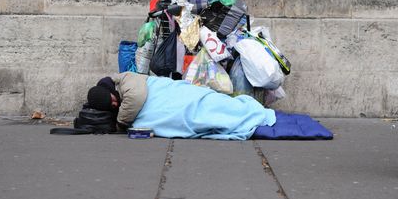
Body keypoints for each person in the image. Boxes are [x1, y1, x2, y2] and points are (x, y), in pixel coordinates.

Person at [87, 72, 276, 140]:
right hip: (171, 106)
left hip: (176, 95)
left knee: (208, 104)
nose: (114, 103)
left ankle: (244, 112)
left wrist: (121, 123)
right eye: (111, 105)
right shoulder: (118, 98)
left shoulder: (125, 80)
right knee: (197, 117)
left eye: (112, 98)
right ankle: (239, 115)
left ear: (111, 90)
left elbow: (136, 98)